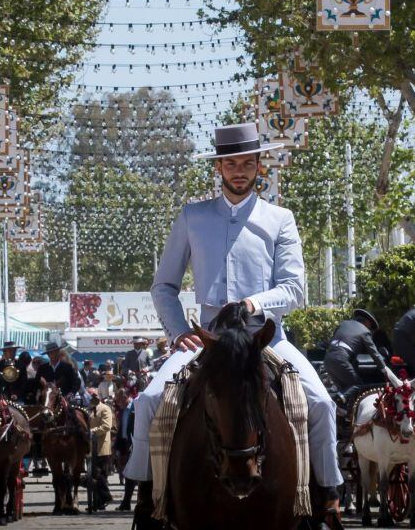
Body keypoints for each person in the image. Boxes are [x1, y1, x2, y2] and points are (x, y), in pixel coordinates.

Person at [124, 122, 343, 527]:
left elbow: (295, 288)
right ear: (219, 168)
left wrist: (253, 302)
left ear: (260, 166)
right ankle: (146, 500)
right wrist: (179, 334)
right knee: (150, 401)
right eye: (230, 164)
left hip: (265, 338)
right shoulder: (192, 216)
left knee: (321, 404)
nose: (238, 171)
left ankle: (326, 497)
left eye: (246, 163)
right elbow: (164, 286)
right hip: (208, 340)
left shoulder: (280, 218)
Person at [323, 308, 394, 408]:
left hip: (328, 359)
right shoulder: (364, 331)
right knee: (358, 385)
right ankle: (336, 400)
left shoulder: (344, 324)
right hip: (341, 359)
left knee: (345, 389)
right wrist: (385, 371)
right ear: (367, 323)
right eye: (370, 327)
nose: (370, 329)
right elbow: (375, 354)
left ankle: (344, 412)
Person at [87, 389, 114, 510]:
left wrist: (91, 432)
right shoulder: (89, 410)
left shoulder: (105, 409)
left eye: (95, 396)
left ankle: (106, 496)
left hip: (102, 447)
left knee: (99, 474)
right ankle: (98, 502)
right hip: (91, 448)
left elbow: (106, 426)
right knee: (93, 475)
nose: (93, 398)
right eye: (91, 396)